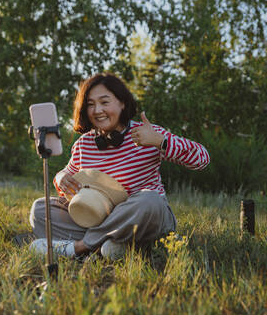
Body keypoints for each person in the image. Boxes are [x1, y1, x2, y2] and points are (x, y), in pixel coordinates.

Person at [29, 73, 210, 259]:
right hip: (100, 218)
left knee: (150, 200)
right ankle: (116, 246)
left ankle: (80, 248)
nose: (97, 110)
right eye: (90, 104)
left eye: (104, 102)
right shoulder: (84, 144)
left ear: (122, 103)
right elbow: (69, 173)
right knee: (40, 209)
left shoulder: (148, 133)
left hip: (145, 217)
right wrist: (61, 177)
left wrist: (160, 141)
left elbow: (202, 159)